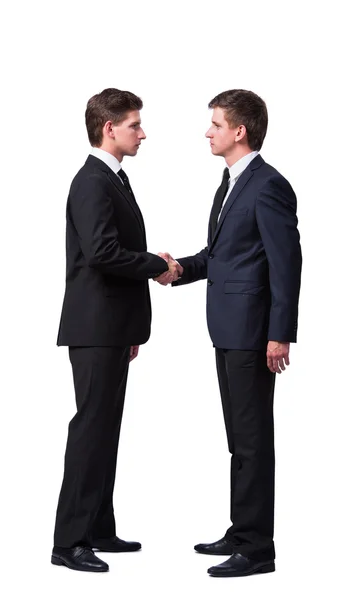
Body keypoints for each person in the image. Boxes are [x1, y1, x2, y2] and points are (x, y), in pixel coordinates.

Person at [156, 89, 302, 577]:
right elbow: (223, 255)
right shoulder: (231, 182)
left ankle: (258, 548)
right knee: (240, 439)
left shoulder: (268, 185)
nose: (208, 132)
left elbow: (286, 267)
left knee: (253, 439)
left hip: (254, 333)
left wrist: (280, 334)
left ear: (239, 131)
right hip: (228, 330)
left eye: (215, 124)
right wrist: (178, 269)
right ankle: (242, 530)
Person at [52, 88, 173, 573]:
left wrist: (130, 329)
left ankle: (99, 528)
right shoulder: (92, 182)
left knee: (105, 431)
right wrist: (155, 264)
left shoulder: (112, 179)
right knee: (91, 430)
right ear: (109, 128)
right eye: (134, 124)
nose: (142, 133)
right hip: (94, 326)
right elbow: (102, 253)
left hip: (111, 327)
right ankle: (69, 541)